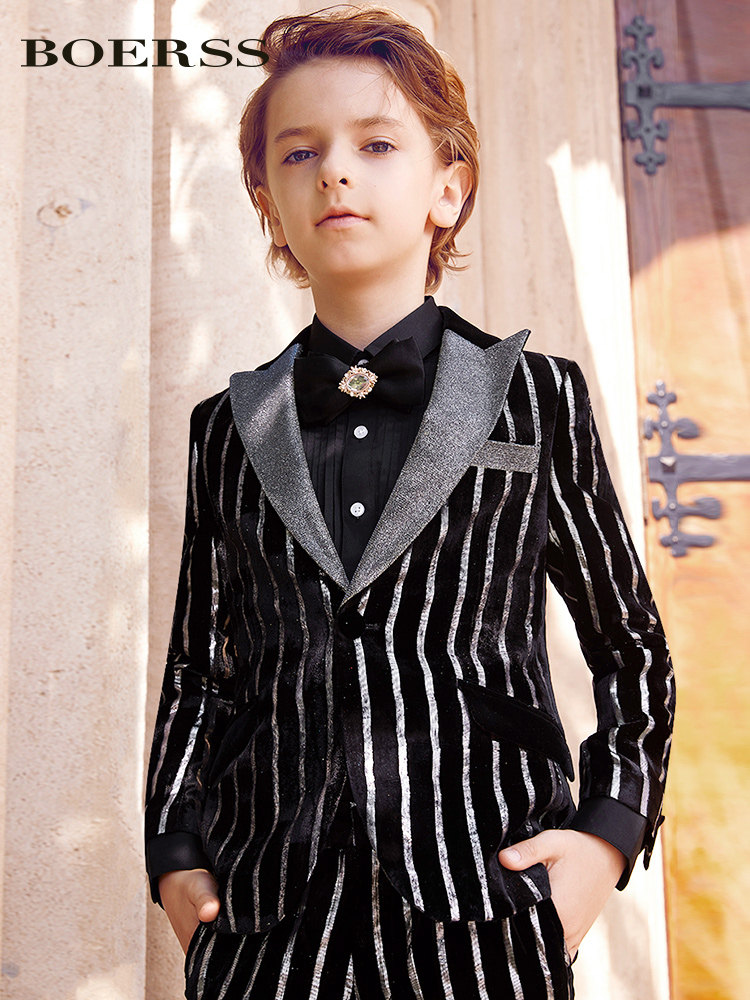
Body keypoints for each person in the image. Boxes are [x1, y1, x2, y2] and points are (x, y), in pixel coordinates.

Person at [144, 8, 675, 999]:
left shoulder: (536, 397)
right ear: (268, 202)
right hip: (267, 918)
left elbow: (629, 642)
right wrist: (173, 850)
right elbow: (197, 662)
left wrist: (606, 836)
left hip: (485, 899)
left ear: (448, 188)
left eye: (376, 145)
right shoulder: (229, 425)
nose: (335, 173)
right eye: (299, 153)